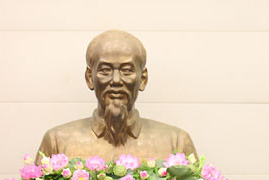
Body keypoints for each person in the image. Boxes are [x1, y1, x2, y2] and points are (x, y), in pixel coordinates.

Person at [38, 30, 196, 162]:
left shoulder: (176, 142)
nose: (116, 80)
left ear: (143, 79)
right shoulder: (57, 142)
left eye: (126, 70)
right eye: (105, 70)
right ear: (89, 78)